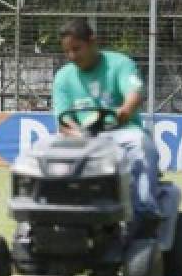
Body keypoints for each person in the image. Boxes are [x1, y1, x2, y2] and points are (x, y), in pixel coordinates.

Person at [53, 17, 163, 236]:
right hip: (82, 138)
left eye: (77, 49)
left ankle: (144, 212)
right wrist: (80, 134)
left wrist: (120, 115)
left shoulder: (120, 64)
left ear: (93, 41)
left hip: (120, 131)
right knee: (43, 151)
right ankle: (50, 214)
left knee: (139, 142)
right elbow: (63, 121)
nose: (72, 56)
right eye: (68, 52)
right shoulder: (63, 77)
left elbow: (134, 95)